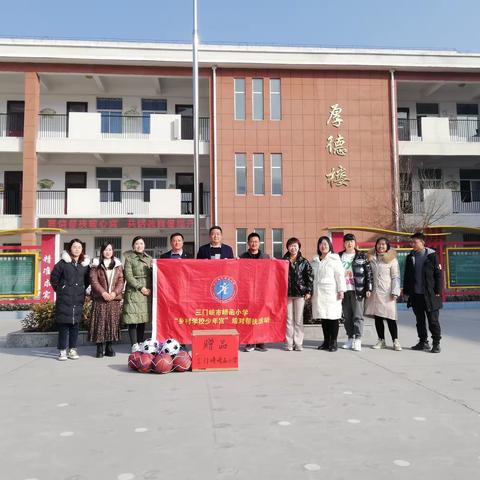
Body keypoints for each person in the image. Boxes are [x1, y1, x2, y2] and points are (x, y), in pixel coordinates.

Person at [50, 239, 90, 361]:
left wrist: (82, 289)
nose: (77, 249)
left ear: (82, 250)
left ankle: (72, 349)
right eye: (74, 247)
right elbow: (54, 279)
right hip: (64, 299)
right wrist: (62, 290)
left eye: (79, 247)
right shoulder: (62, 263)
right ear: (70, 248)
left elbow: (87, 281)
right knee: (63, 326)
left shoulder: (84, 265)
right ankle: (62, 350)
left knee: (75, 326)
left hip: (78, 299)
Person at [403, 232, 443, 353]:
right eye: (411, 242)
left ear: (422, 242)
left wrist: (437, 291)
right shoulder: (410, 257)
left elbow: (438, 274)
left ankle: (436, 343)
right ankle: (423, 342)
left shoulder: (432, 256)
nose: (412, 244)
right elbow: (407, 276)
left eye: (415, 242)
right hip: (416, 295)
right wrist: (406, 292)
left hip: (430, 295)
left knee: (433, 321)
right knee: (419, 321)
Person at [364, 237, 402, 351]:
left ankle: (395, 340)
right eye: (379, 244)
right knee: (378, 318)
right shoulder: (371, 258)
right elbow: (367, 274)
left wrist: (395, 291)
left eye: (384, 244)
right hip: (375, 293)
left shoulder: (392, 260)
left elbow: (396, 276)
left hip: (387, 293)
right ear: (376, 245)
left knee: (391, 317)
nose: (381, 246)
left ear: (387, 246)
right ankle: (381, 340)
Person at [88, 243, 125, 358]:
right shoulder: (95, 265)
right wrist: (103, 293)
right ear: (102, 251)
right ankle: (99, 347)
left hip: (114, 299)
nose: (108, 252)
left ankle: (109, 346)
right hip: (100, 299)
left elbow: (121, 281)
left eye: (110, 249)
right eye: (105, 250)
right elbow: (94, 281)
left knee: (112, 323)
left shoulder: (118, 265)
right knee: (100, 323)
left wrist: (114, 293)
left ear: (113, 251)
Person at [311, 236, 346, 352]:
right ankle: (326, 341)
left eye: (325, 243)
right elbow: (312, 278)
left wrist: (341, 290)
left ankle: (333, 342)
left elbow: (340, 276)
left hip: (332, 293)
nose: (323, 246)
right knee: (324, 318)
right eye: (321, 243)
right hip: (319, 293)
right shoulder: (315, 261)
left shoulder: (334, 259)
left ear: (330, 246)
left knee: (333, 317)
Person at [339, 233, 373, 352]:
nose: (349, 243)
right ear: (344, 243)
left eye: (351, 241)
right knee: (347, 316)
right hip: (343, 290)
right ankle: (350, 338)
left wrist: (368, 288)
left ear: (355, 243)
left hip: (357, 289)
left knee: (358, 315)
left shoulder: (361, 256)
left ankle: (358, 339)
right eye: (347, 241)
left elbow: (368, 273)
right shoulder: (339, 256)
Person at [239, 232, 270, 352]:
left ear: (259, 243)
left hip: (262, 292)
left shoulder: (266, 257)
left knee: (262, 316)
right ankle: (250, 342)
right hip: (248, 292)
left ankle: (261, 342)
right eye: (251, 241)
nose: (254, 243)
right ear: (248, 243)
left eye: (256, 241)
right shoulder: (242, 257)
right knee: (249, 316)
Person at [283, 237, 313, 351]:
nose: (293, 248)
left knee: (299, 319)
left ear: (299, 247)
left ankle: (298, 342)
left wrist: (308, 291)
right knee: (289, 320)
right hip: (287, 294)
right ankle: (289, 343)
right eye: (291, 245)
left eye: (295, 245)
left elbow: (309, 277)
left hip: (300, 293)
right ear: (287, 247)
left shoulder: (304, 262)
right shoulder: (284, 261)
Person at [123, 236, 152, 352]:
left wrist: (149, 288)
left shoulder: (149, 259)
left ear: (144, 245)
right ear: (133, 246)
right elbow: (128, 276)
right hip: (134, 292)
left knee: (142, 318)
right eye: (137, 244)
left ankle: (140, 342)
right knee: (133, 319)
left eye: (141, 243)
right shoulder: (129, 258)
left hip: (146, 291)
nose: (139, 246)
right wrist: (141, 287)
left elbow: (153, 274)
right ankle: (134, 344)